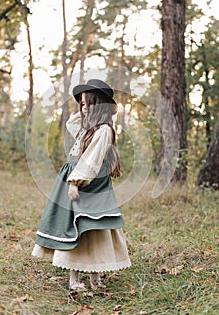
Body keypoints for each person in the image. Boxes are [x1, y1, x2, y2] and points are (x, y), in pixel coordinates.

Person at [32, 79, 131, 291]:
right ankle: (74, 279)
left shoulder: (103, 130)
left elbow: (91, 161)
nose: (83, 108)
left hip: (89, 185)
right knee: (75, 229)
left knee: (91, 229)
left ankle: (95, 279)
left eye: (88, 104)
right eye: (81, 104)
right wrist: (87, 107)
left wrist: (75, 183)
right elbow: (71, 123)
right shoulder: (87, 128)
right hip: (76, 179)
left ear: (99, 106)